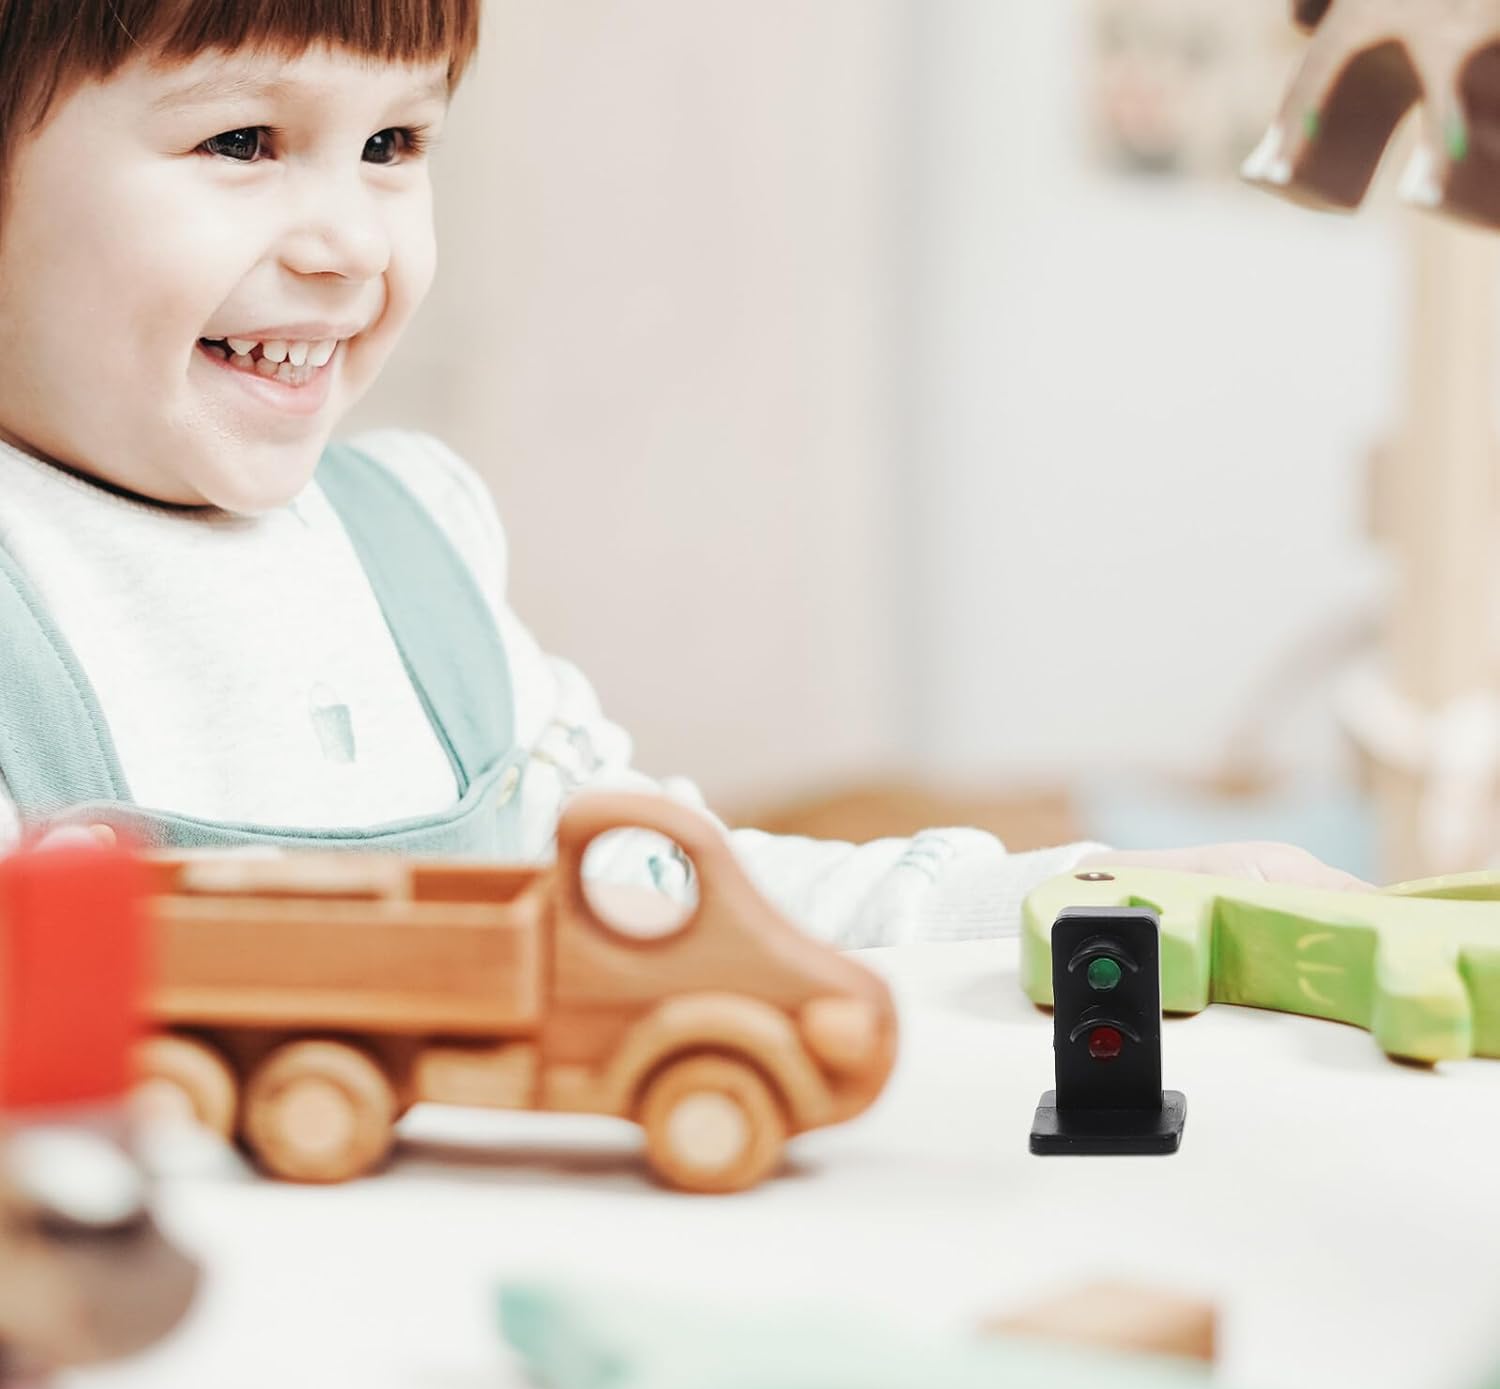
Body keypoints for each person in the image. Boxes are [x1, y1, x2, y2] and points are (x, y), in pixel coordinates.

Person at [0, 0, 1365, 951]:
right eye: (242, 143)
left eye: (394, 147)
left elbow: (669, 899)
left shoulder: (419, 542)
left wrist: (1088, 898)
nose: (349, 245)